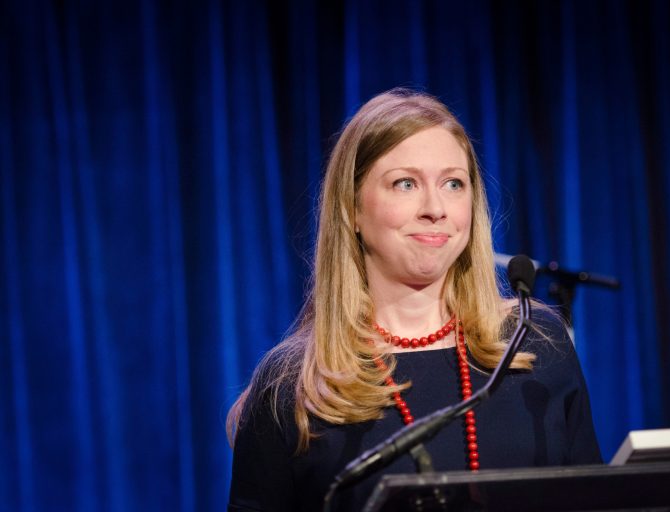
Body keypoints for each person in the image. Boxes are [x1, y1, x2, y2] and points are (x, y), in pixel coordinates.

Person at [227, 89, 602, 511]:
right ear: (352, 208)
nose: (435, 208)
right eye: (405, 183)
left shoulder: (534, 343)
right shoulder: (293, 384)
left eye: (453, 184)